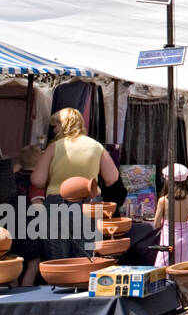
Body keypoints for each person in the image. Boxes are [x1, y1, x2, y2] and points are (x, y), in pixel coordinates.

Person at [23, 108, 122, 285]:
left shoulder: (54, 147)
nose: (54, 130)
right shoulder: (96, 146)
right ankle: (84, 297)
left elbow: (37, 180)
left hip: (57, 204)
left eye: (56, 125)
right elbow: (112, 178)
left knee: (58, 258)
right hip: (89, 204)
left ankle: (60, 298)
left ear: (64, 125)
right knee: (86, 255)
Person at [154, 164, 188, 266]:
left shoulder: (163, 201)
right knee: (182, 271)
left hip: (167, 242)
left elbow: (156, 224)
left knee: (163, 271)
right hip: (184, 242)